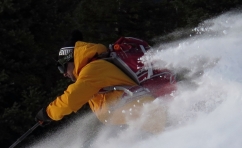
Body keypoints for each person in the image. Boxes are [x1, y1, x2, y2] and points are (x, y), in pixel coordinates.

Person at [35, 37, 166, 132]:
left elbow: (70, 99)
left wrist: (48, 113)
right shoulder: (95, 69)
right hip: (139, 116)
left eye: (62, 68)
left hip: (144, 113)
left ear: (71, 60)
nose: (64, 74)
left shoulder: (93, 70)